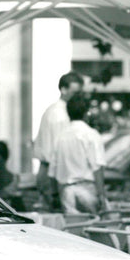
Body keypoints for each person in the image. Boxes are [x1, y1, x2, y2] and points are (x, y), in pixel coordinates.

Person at [49, 92, 107, 214]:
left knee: (72, 229)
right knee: (91, 228)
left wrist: (54, 196)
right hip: (87, 191)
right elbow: (97, 168)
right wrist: (102, 196)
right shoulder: (91, 135)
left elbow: (53, 171)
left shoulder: (60, 137)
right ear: (87, 113)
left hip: (66, 192)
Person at [34, 71, 84, 209]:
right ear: (63, 89)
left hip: (51, 172)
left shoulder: (54, 110)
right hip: (53, 174)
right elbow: (58, 153)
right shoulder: (59, 115)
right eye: (75, 93)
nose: (77, 97)